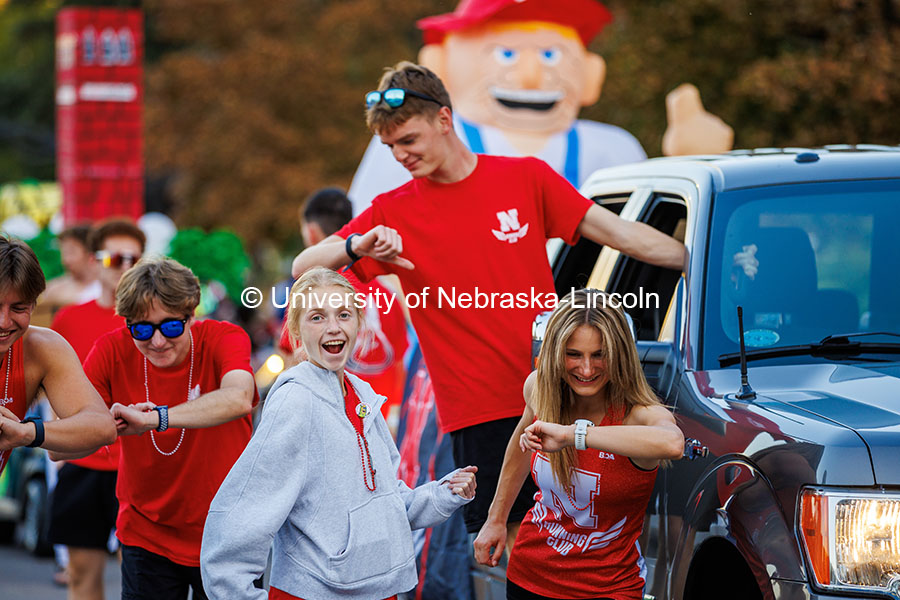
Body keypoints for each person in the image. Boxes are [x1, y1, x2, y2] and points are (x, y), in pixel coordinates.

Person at [291, 62, 685, 540]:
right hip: (481, 415)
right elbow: (305, 267)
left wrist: (703, 262)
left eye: (408, 140)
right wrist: (358, 245)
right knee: (515, 551)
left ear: (444, 119)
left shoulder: (526, 178)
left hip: (563, 392)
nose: (400, 155)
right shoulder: (392, 213)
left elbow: (623, 235)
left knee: (593, 543)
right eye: (391, 147)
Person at [201, 267, 476, 599]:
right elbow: (244, 515)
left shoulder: (363, 395)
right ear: (296, 331)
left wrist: (443, 493)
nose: (333, 327)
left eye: (343, 314)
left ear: (359, 322)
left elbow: (387, 502)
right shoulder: (295, 400)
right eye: (317, 317)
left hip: (380, 590)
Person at [349, 0, 733, 214]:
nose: (531, 74)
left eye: (550, 54)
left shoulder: (612, 147)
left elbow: (654, 228)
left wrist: (698, 166)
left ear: (591, 72)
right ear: (439, 62)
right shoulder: (426, 138)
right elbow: (365, 230)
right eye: (506, 52)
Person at [472, 289, 684, 599]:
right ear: (556, 352)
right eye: (574, 354)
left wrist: (574, 435)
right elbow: (519, 450)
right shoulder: (539, 388)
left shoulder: (638, 414)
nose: (586, 369)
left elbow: (672, 442)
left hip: (609, 588)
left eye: (599, 354)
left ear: (621, 354)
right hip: (529, 577)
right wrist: (496, 519)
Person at [77, 256, 257, 600]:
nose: (158, 341)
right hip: (146, 534)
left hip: (227, 533)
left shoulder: (224, 337)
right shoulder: (110, 350)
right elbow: (66, 440)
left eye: (171, 326)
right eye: (142, 329)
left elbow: (238, 397)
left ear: (192, 314)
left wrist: (154, 419)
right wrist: (32, 433)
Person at [47, 219, 146, 600]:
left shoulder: (156, 323)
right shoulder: (69, 318)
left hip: (138, 466)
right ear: (93, 261)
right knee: (81, 578)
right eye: (113, 258)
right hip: (82, 462)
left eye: (131, 258)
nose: (122, 266)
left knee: (139, 580)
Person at [278, 188, 408, 417]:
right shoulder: (387, 292)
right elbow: (398, 364)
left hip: (326, 418)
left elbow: (294, 359)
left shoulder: (311, 292)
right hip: (379, 419)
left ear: (311, 233)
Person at [0, 235, 116, 475]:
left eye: (18, 308)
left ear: (33, 305)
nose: (4, 321)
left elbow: (103, 427)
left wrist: (27, 432)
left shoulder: (40, 347)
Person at [40, 224, 101, 312]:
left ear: (90, 252)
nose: (66, 260)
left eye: (71, 252)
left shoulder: (107, 287)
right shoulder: (54, 290)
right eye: (64, 253)